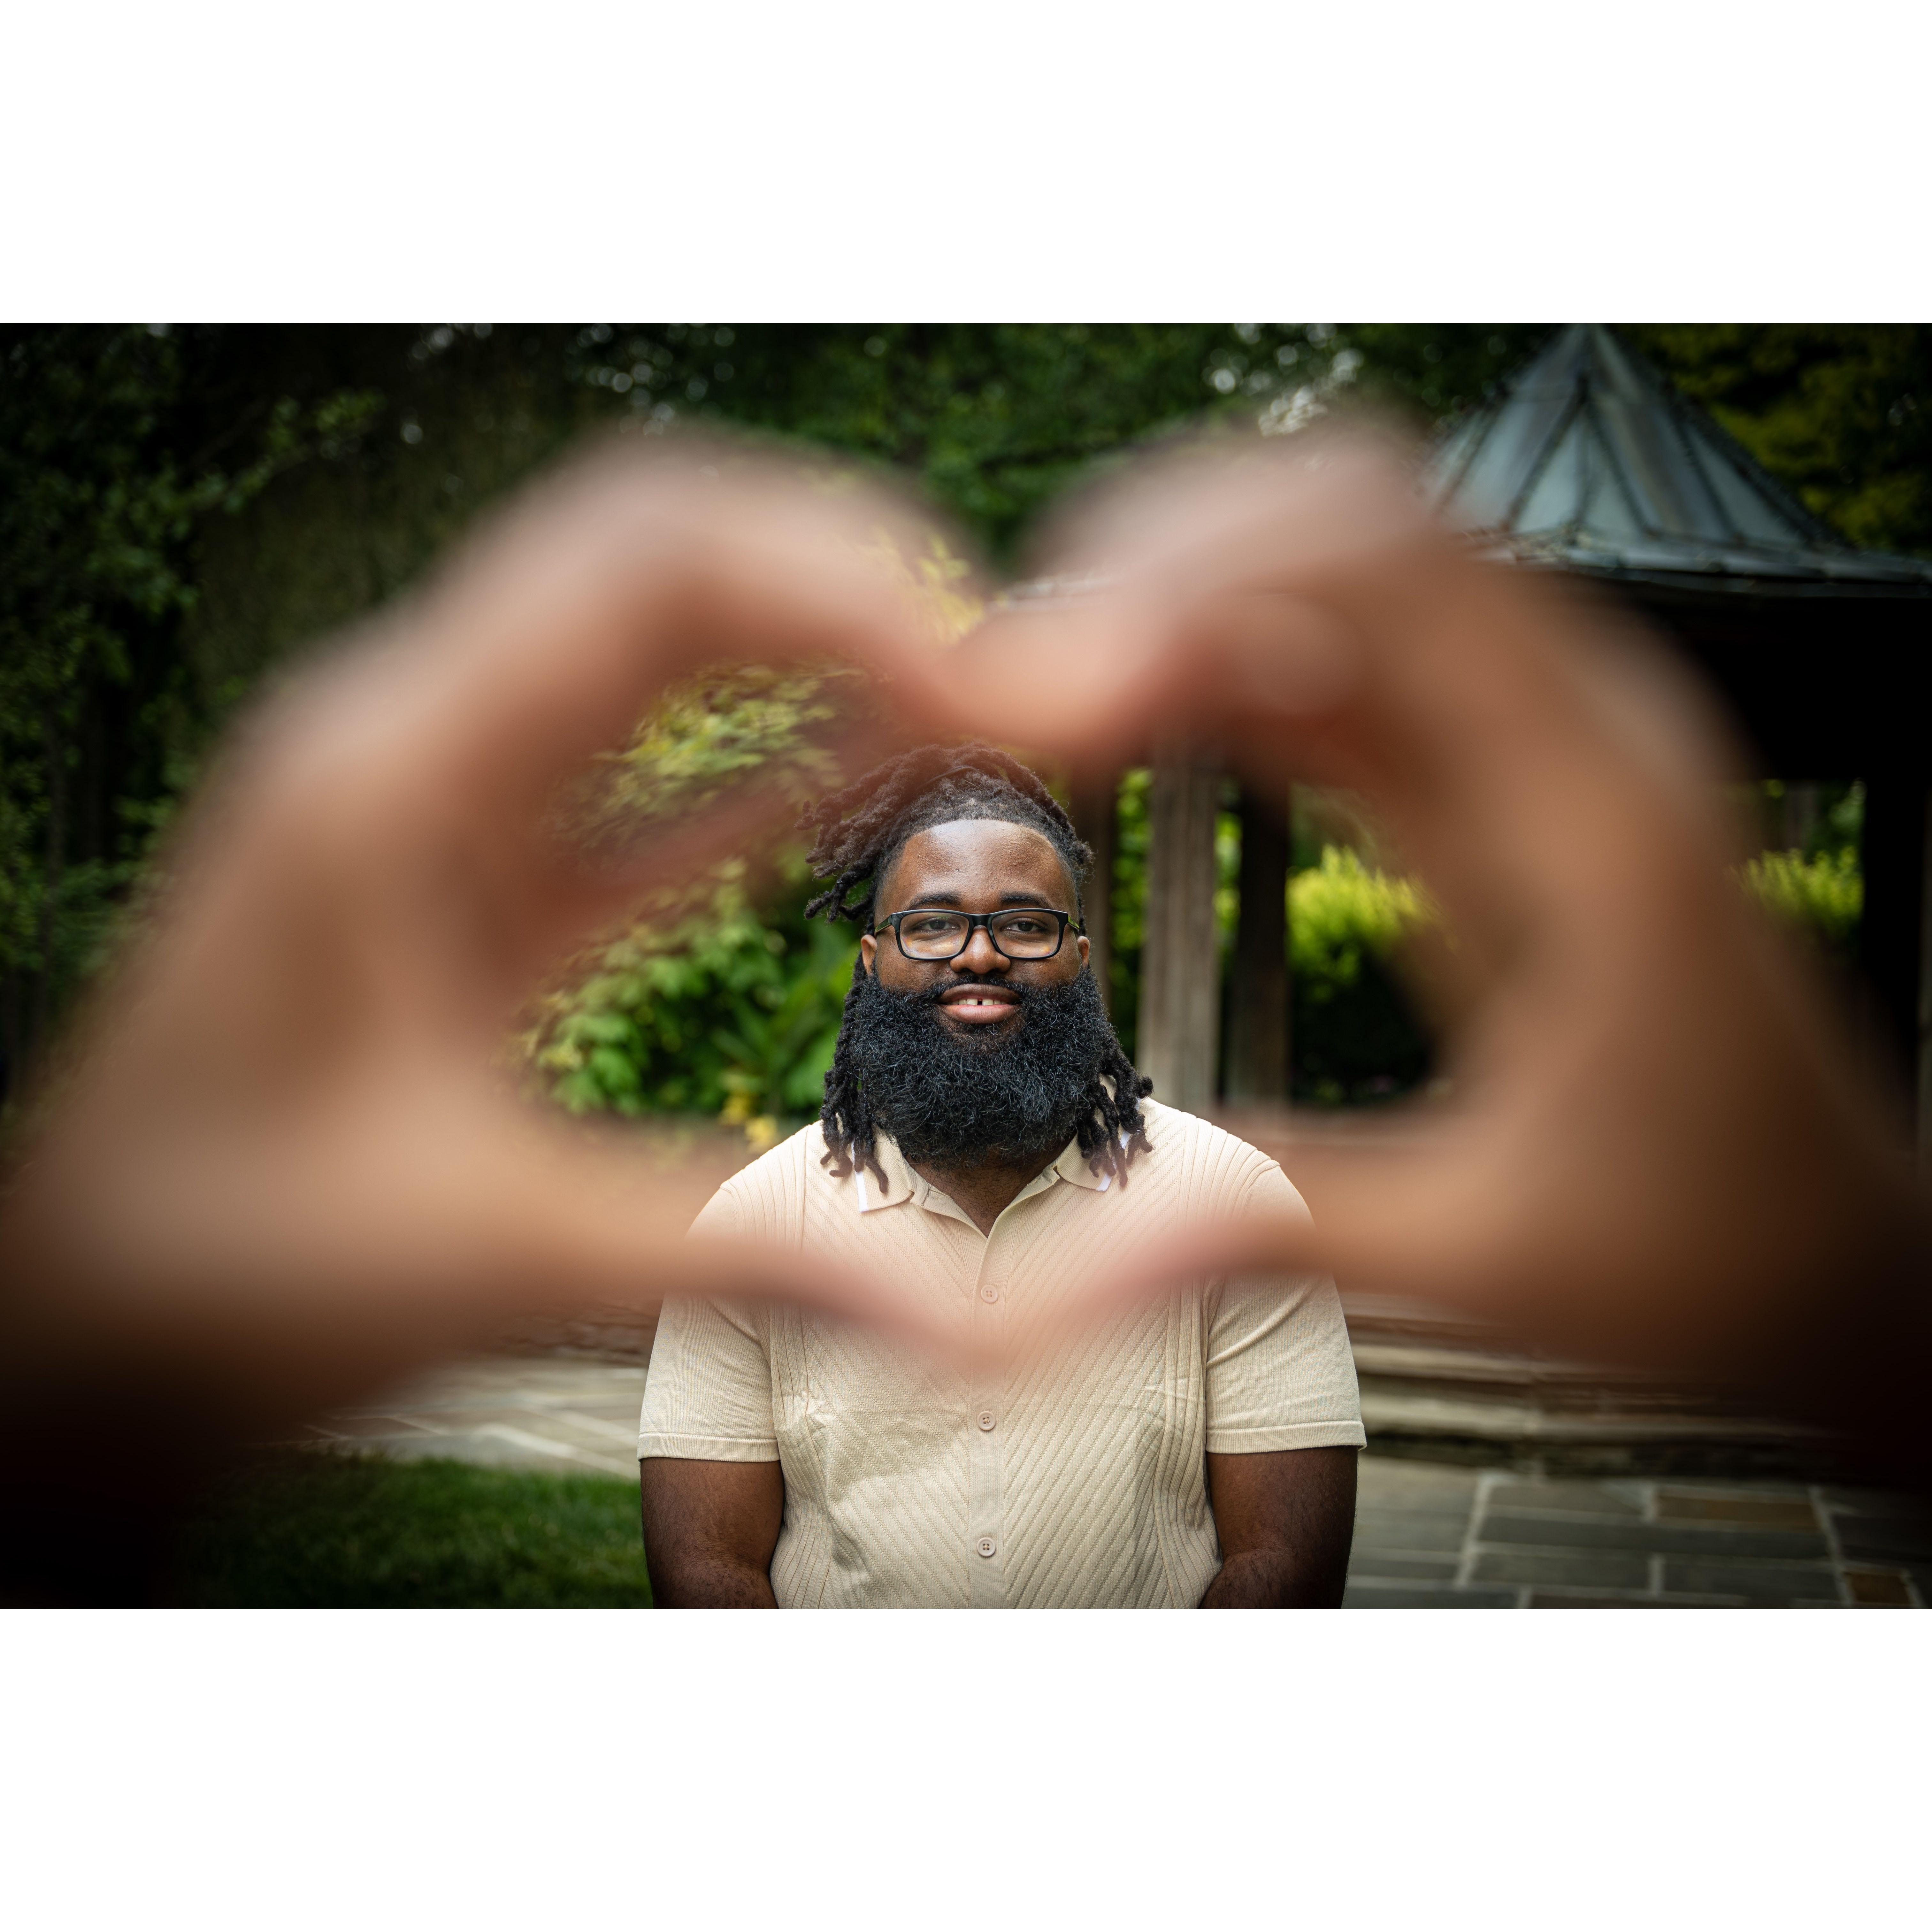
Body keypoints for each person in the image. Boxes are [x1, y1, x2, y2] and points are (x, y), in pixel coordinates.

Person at [637, 744, 1364, 1606]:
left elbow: (1284, 1566)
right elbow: (706, 1573)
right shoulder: (751, 1229)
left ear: (1081, 959)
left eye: (1025, 925)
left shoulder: (1237, 1209)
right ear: (872, 959)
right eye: (934, 924)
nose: (978, 956)